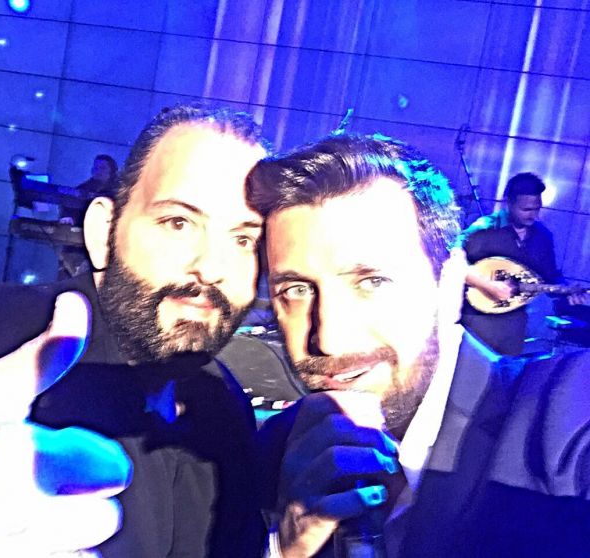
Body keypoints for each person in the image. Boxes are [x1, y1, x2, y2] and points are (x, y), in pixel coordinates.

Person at [0, 104, 269, 557]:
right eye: (178, 223)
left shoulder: (225, 405)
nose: (212, 267)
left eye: (244, 239)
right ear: (104, 232)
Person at [246, 134, 590, 557]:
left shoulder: (563, 412)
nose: (329, 339)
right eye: (296, 290)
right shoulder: (276, 451)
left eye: (372, 282)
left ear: (450, 283)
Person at [460, 172, 588, 355]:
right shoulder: (485, 228)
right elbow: (453, 263)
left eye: (536, 209)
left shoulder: (542, 237)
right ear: (509, 203)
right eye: (526, 210)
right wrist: (488, 285)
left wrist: (568, 292)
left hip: (512, 330)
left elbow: (550, 277)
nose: (533, 215)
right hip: (474, 324)